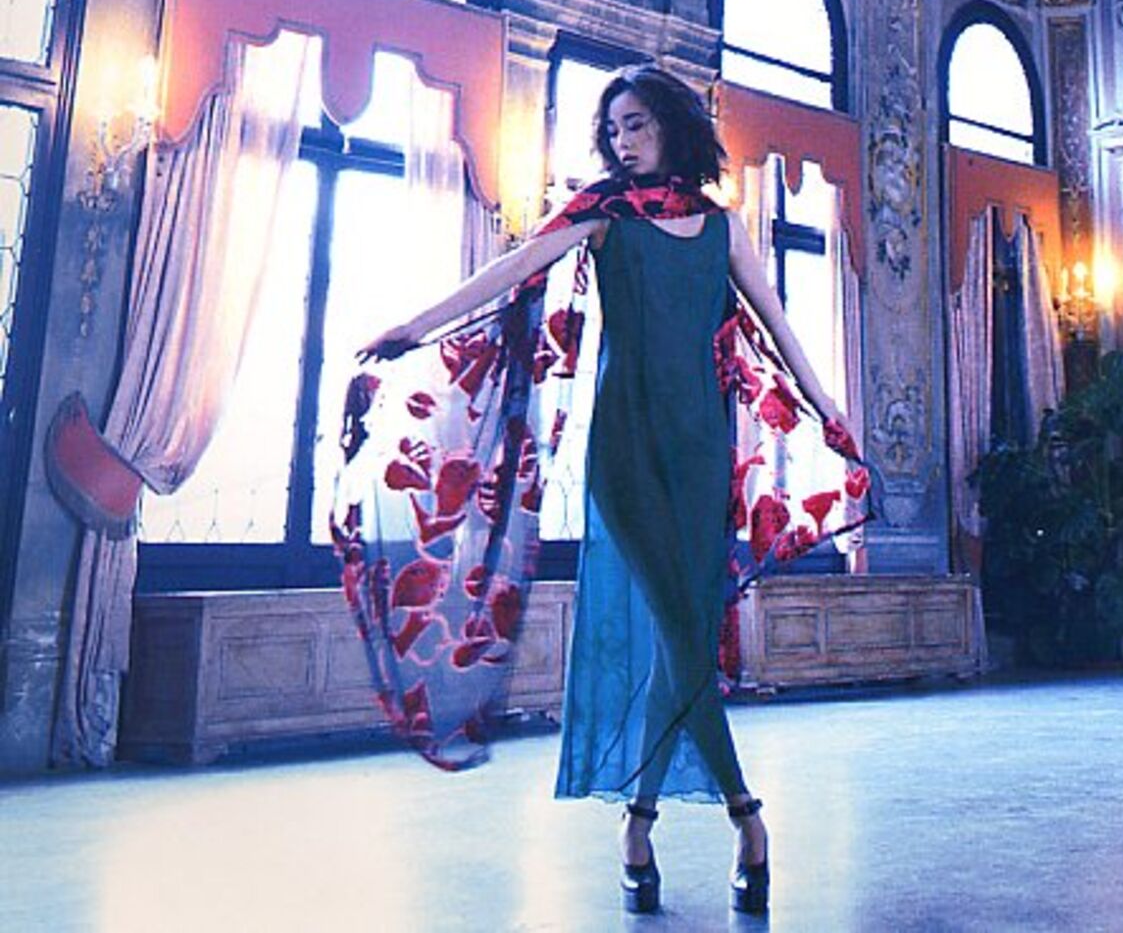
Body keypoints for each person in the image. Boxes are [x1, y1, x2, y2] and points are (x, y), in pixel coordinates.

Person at [357, 65, 853, 918]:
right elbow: (513, 266)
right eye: (613, 129)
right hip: (625, 451)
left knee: (681, 641)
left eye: (636, 124)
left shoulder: (723, 228)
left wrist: (829, 409)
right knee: (682, 633)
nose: (622, 141)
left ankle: (638, 822)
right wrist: (416, 326)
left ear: (671, 125)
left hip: (701, 452)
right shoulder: (603, 214)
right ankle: (747, 817)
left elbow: (778, 324)